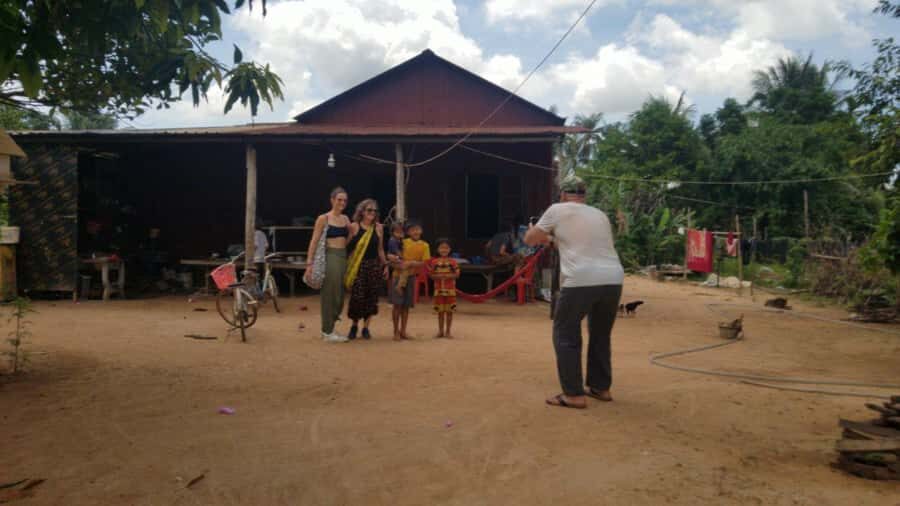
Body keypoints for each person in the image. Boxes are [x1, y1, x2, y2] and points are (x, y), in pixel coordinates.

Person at [524, 175, 624, 409]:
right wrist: (551, 239)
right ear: (584, 196)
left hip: (580, 279)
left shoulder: (556, 209)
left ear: (562, 194)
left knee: (565, 332)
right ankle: (601, 388)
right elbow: (573, 243)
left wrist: (537, 232)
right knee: (600, 333)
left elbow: (530, 239)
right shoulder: (599, 215)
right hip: (613, 278)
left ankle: (573, 394)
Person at [304, 187, 351, 343]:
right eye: (339, 199)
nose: (342, 203)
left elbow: (349, 238)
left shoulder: (345, 219)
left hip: (343, 257)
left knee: (339, 294)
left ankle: (331, 327)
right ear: (332, 200)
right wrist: (309, 263)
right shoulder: (323, 218)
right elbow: (314, 241)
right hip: (330, 256)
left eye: (344, 200)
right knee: (329, 293)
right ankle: (327, 331)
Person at [345, 199, 386, 340]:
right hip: (358, 266)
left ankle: (366, 328)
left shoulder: (379, 228)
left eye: (375, 211)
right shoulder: (354, 227)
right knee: (357, 297)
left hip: (374, 266)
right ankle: (354, 325)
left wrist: (385, 265)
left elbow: (380, 249)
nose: (372, 213)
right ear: (361, 211)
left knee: (371, 297)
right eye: (369, 210)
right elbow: (347, 247)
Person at [389, 221, 429, 340]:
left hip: (411, 277)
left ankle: (403, 331)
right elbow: (391, 257)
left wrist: (411, 263)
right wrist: (399, 264)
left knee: (406, 306)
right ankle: (395, 332)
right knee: (397, 305)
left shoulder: (425, 245)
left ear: (421, 231)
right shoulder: (402, 242)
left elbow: (424, 263)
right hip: (398, 275)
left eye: (418, 229)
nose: (416, 232)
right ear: (407, 232)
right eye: (412, 230)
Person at [427, 238, 460, 338]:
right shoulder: (434, 262)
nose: (444, 250)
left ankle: (448, 331)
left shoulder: (453, 262)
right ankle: (440, 331)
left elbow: (457, 274)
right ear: (437, 249)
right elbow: (431, 275)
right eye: (441, 248)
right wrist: (438, 277)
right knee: (440, 312)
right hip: (438, 291)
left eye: (446, 248)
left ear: (450, 249)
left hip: (450, 290)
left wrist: (448, 276)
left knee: (449, 311)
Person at [386, 223, 408, 294]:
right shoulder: (392, 240)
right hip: (392, 260)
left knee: (405, 268)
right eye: (397, 232)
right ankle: (399, 286)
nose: (399, 233)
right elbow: (398, 252)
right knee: (405, 267)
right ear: (392, 232)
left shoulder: (401, 240)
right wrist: (403, 258)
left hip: (397, 259)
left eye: (401, 232)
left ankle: (399, 285)